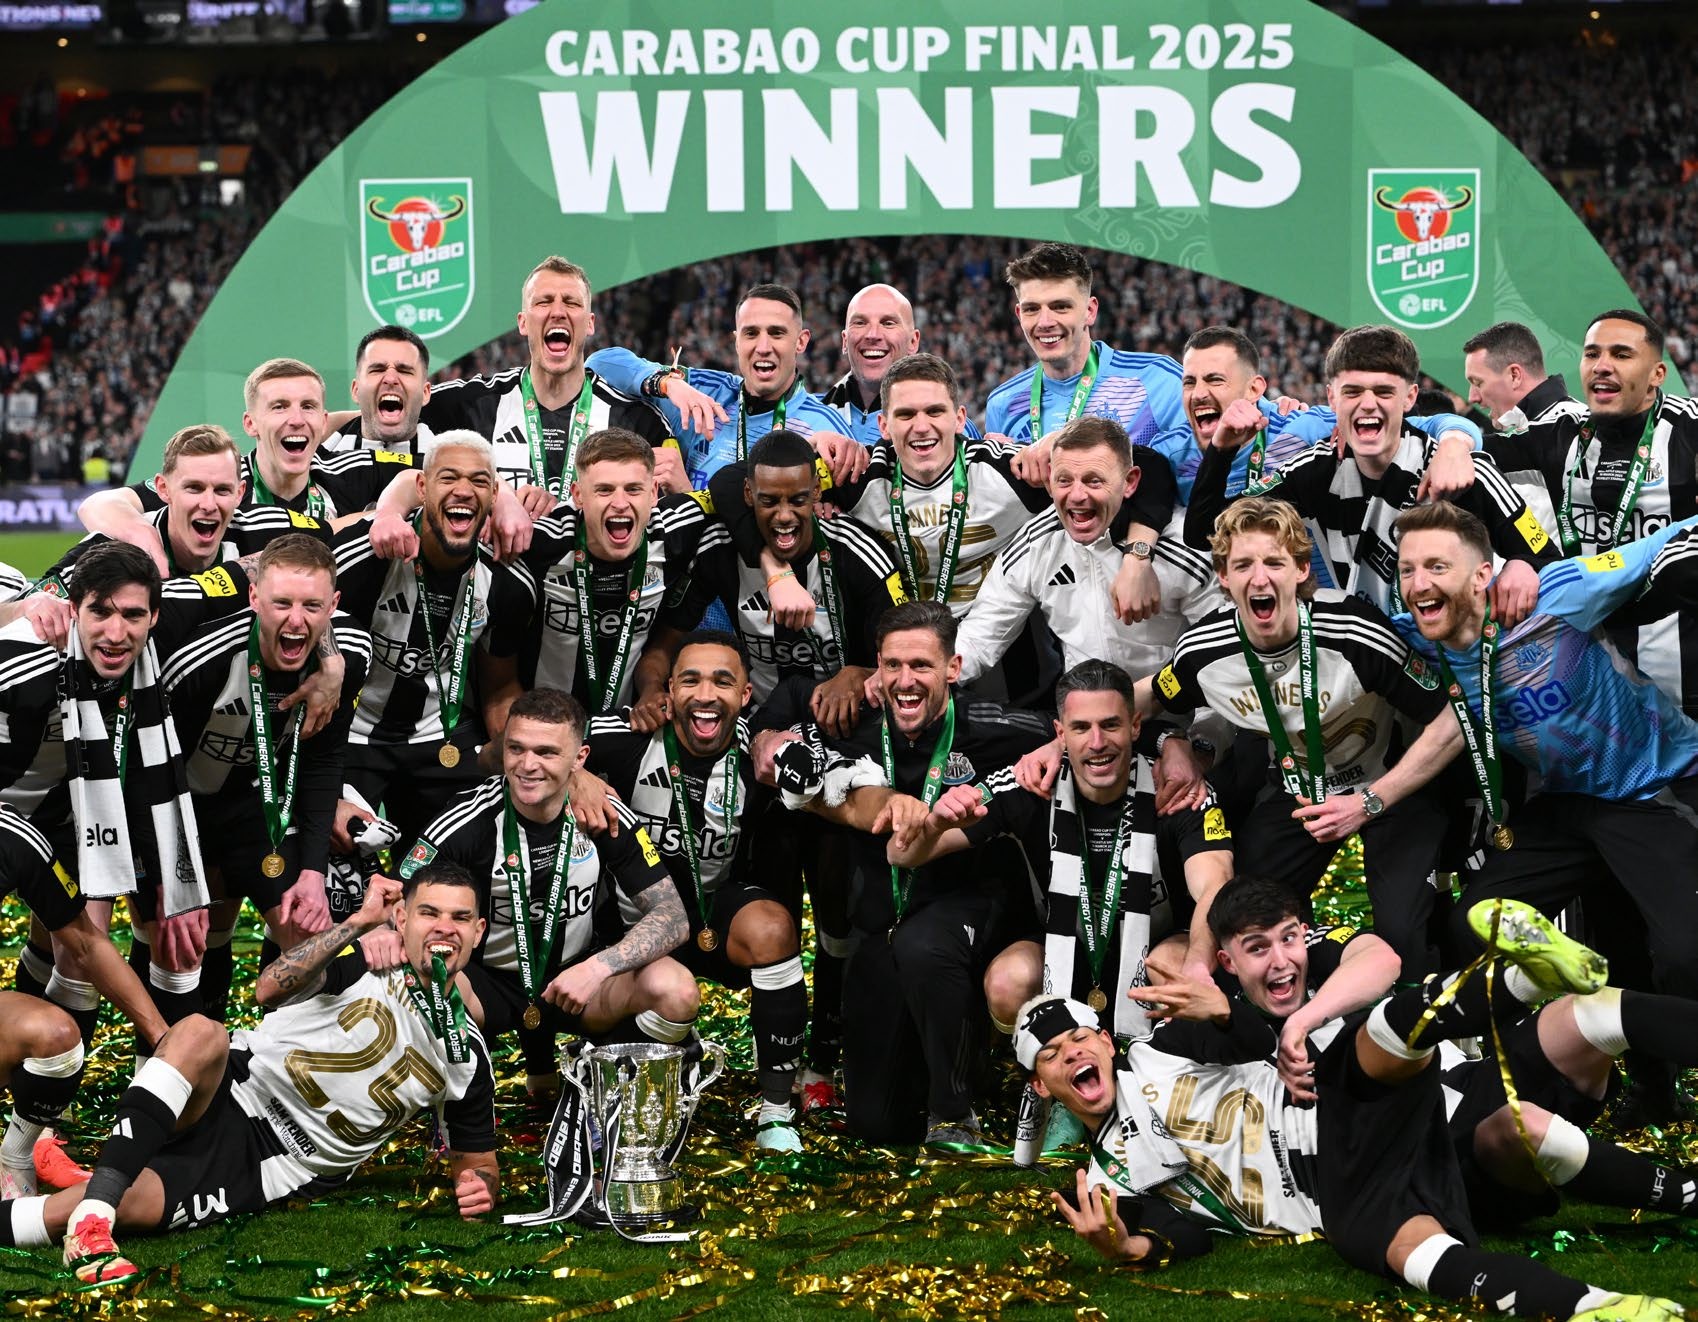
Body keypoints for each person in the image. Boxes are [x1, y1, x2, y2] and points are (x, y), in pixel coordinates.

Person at [1021, 878, 1686, 1321]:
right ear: (1039, 1085)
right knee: (1496, 1156)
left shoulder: (1161, 1050)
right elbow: (1184, 1234)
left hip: (1389, 1099)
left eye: (1081, 1038)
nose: (1074, 1054)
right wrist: (1129, 1249)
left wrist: (1238, 1014)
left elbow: (1261, 1027)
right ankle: (1593, 1306)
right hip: (1341, 1177)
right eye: (1053, 1055)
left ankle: (1516, 979)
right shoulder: (1104, 1179)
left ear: (1107, 1040)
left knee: (1589, 1016)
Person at [0, 864, 501, 1285]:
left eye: (460, 918)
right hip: (235, 1080)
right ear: (402, 917)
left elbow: (477, 1161)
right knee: (200, 1031)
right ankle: (96, 1212)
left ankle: (93, 1202)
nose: (443, 928)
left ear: (478, 932)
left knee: (123, 1204)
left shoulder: (468, 1055)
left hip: (272, 1160)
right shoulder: (366, 958)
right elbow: (266, 990)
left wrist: (480, 1185)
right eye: (428, 913)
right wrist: (359, 924)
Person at [1111, 497, 1463, 978]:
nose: (1260, 578)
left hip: (1387, 792)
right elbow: (1142, 697)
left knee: (1403, 938)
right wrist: (1166, 742)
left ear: (1300, 569)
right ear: (1223, 577)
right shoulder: (1204, 651)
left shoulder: (1356, 632)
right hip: (1298, 795)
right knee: (1243, 922)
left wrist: (1369, 803)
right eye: (1243, 565)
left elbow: (1451, 717)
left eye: (1274, 562)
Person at [760, 601, 1053, 1145]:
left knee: (926, 943)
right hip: (886, 920)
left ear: (953, 668)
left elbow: (1082, 727)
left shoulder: (996, 728)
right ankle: (947, 1074)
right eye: (892, 665)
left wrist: (1061, 747)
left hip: (977, 909)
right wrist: (777, 748)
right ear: (877, 667)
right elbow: (770, 744)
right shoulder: (856, 727)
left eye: (921, 665)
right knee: (876, 1125)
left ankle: (953, 1111)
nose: (905, 680)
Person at [1388, 499, 1698, 1005]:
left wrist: (1524, 565)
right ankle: (1558, 1022)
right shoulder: (1418, 635)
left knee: (1686, 957)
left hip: (1651, 788)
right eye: (1408, 569)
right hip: (1564, 805)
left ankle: (1656, 1070)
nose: (1418, 583)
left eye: (1437, 567)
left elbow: (1656, 548)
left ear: (1482, 574)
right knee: (1473, 923)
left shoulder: (1558, 594)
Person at [402, 688, 699, 1082]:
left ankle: (598, 1083)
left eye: (546, 753)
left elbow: (674, 918)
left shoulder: (604, 815)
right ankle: (458, 1114)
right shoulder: (465, 821)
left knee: (675, 988)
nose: (527, 765)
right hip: (488, 983)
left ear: (580, 759)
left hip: (577, 980)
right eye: (516, 749)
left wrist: (596, 968)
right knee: (420, 985)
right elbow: (400, 909)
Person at [584, 631, 808, 1152]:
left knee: (772, 928)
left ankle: (776, 1112)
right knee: (637, 1082)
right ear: (667, 693)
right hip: (634, 930)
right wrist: (575, 773)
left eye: (722, 681)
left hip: (714, 917)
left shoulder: (763, 752)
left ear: (745, 695)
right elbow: (525, 748)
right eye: (691, 680)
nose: (706, 694)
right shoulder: (627, 734)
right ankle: (677, 1047)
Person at [1184, 324, 1546, 626]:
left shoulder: (1467, 471)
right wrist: (1221, 448)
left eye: (1384, 391)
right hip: (1366, 671)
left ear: (1409, 397)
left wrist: (1523, 564)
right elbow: (1204, 533)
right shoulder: (1309, 473)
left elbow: (1546, 558)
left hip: (1462, 665)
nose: (1368, 403)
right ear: (1332, 397)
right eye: (1352, 391)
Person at [156, 535, 371, 1024]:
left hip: (256, 810)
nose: (297, 621)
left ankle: (277, 1062)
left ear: (333, 605)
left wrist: (314, 873)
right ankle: (173, 1067)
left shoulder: (346, 661)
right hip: (180, 810)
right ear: (254, 599)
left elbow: (322, 765)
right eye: (281, 604)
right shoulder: (199, 663)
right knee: (179, 945)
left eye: (312, 606)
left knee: (308, 936)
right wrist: (176, 875)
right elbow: (159, 774)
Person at [1478, 310, 1698, 719]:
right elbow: (1474, 460)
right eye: (1592, 353)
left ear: (1657, 374)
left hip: (1686, 691)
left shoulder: (1689, 429)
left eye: (1621, 354)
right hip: (1600, 699)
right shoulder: (1563, 436)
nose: (1602, 366)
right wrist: (1525, 560)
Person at [330, 432, 514, 844]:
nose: (463, 491)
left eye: (479, 482)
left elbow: (500, 685)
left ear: (494, 494)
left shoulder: (507, 583)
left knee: (452, 872)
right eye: (448, 478)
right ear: (422, 487)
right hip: (353, 737)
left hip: (441, 739)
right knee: (339, 879)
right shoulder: (361, 558)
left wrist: (517, 751)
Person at [952, 417, 1211, 696]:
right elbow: (981, 635)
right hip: (1082, 723)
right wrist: (932, 676)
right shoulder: (1037, 542)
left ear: (1130, 482)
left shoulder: (1183, 545)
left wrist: (1199, 734)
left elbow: (1218, 649)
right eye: (1064, 480)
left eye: (1094, 481)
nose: (1076, 495)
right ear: (1050, 481)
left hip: (1172, 719)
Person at [479, 429, 712, 738]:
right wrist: (501, 499)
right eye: (604, 490)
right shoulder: (533, 546)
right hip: (542, 736)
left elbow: (739, 486)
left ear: (654, 492)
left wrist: (778, 575)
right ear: (577, 495)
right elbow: (497, 687)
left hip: (630, 730)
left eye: (633, 489)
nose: (619, 503)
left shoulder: (679, 530)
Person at [407, 255, 683, 506]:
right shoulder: (473, 404)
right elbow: (390, 418)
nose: (558, 312)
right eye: (544, 301)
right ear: (523, 322)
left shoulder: (639, 421)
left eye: (571, 302)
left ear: (589, 323)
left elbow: (674, 517)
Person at [681, 429, 908, 726]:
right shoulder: (720, 547)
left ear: (816, 491)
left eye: (798, 500)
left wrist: (857, 673)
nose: (785, 516)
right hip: (754, 722)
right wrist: (651, 689)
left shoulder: (858, 552)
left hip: (846, 722)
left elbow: (902, 658)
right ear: (749, 494)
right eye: (770, 501)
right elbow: (667, 638)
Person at [587, 281, 865, 491]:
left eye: (777, 333)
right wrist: (667, 384)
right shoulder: (703, 392)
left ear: (801, 342)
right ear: (736, 341)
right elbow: (601, 363)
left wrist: (687, 495)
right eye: (751, 333)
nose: (763, 347)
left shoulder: (825, 427)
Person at [80, 360, 416, 528]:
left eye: (308, 407)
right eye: (279, 406)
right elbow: (97, 505)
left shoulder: (351, 470)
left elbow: (442, 475)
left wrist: (387, 512)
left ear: (323, 421)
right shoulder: (219, 484)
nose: (296, 419)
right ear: (250, 423)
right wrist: (143, 535)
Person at [982, 243, 1191, 456]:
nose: (1044, 322)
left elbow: (1202, 470)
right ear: (1019, 315)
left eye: (1060, 306)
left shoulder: (1157, 379)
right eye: (1032, 309)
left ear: (1090, 311)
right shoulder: (1003, 403)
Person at [813, 284, 985, 445]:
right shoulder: (804, 421)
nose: (873, 335)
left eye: (888, 323)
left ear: (913, 341)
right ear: (844, 341)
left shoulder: (952, 428)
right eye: (860, 323)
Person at [321, 324, 441, 458]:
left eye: (404, 371)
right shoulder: (314, 466)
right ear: (356, 390)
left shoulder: (451, 466)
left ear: (425, 393)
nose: (390, 379)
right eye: (377, 370)